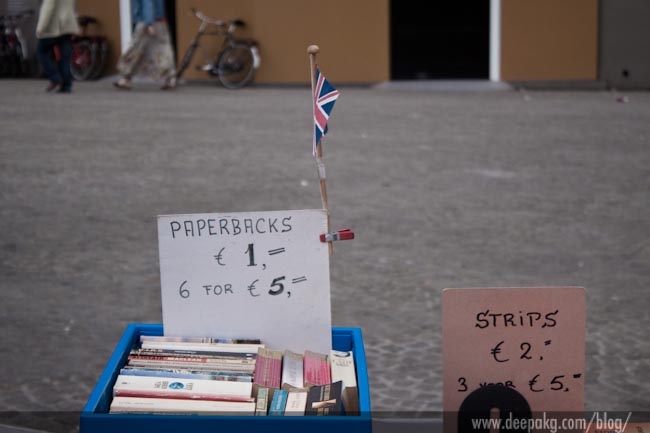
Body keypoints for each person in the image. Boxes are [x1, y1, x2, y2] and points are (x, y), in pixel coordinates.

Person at [113, 0, 177, 90]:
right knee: (164, 50)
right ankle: (171, 77)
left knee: (136, 49)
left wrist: (149, 23)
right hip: (160, 21)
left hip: (146, 22)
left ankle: (126, 78)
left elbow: (148, 3)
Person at [35, 0, 80, 93]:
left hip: (54, 26)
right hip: (67, 24)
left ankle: (55, 77)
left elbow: (48, 8)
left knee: (41, 52)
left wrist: (41, 27)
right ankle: (66, 86)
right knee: (65, 57)